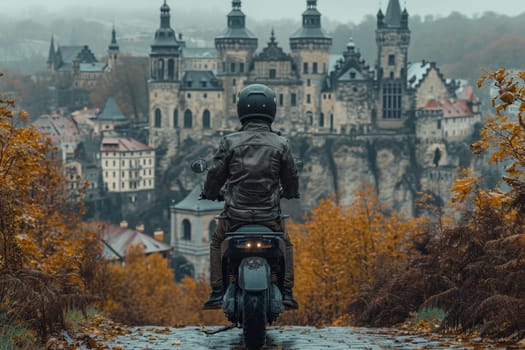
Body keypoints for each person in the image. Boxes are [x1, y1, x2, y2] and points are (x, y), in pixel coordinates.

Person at [201, 84, 300, 310]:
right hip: (269, 216)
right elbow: (291, 179)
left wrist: (210, 193)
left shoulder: (229, 141)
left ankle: (217, 291)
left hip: (235, 216)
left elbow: (215, 175)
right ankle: (287, 291)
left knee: (217, 242)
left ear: (242, 109)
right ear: (271, 111)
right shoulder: (281, 143)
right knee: (286, 243)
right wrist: (291, 192)